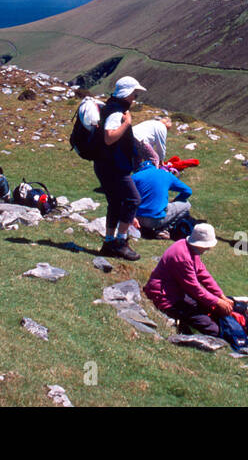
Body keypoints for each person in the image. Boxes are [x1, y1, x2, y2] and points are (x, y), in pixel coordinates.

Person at [92, 76, 147, 261]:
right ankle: (121, 243)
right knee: (133, 199)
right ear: (127, 93)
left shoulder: (110, 107)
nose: (134, 98)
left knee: (115, 203)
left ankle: (108, 243)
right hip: (113, 167)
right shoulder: (117, 112)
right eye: (134, 94)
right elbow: (109, 137)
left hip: (104, 165)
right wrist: (126, 124)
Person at [143, 224, 232, 336]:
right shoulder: (182, 257)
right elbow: (194, 289)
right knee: (212, 328)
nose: (209, 248)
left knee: (209, 307)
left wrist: (221, 295)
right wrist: (217, 301)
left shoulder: (190, 248)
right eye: (207, 245)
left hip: (177, 293)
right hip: (165, 298)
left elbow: (203, 274)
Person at [132, 154, 193, 238]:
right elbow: (188, 191)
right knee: (186, 204)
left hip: (135, 219)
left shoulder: (134, 177)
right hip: (156, 220)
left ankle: (144, 229)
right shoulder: (165, 174)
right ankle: (163, 229)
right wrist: (176, 200)